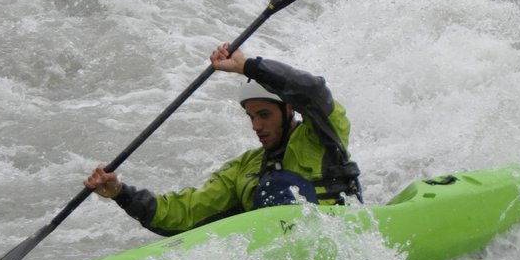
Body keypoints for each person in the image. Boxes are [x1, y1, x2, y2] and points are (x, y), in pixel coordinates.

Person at [85, 44, 361, 236]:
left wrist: (249, 67)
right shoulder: (245, 168)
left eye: (264, 115)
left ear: (289, 109)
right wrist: (122, 194)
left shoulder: (321, 136)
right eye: (251, 117)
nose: (257, 125)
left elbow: (313, 90)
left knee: (282, 187)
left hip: (334, 236)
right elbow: (187, 211)